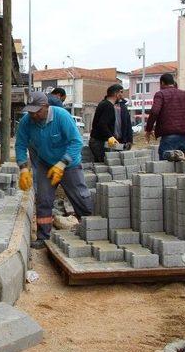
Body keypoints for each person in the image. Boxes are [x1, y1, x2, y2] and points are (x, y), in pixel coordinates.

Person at [15, 92, 93, 249]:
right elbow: (20, 145)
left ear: (46, 107)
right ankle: (43, 237)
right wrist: (23, 168)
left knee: (80, 198)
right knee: (44, 200)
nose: (33, 115)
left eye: (37, 111)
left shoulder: (61, 116)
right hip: (45, 164)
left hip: (69, 164)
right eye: (30, 111)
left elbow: (76, 142)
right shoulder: (26, 121)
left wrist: (62, 163)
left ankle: (92, 230)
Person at [144, 73, 185, 160]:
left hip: (169, 137)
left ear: (162, 83)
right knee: (179, 167)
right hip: (184, 137)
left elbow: (154, 111)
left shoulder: (160, 94)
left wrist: (149, 130)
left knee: (166, 167)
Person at [88, 85, 122, 163]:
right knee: (102, 167)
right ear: (116, 94)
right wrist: (110, 136)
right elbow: (102, 124)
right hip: (98, 142)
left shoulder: (103, 103)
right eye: (121, 92)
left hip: (97, 141)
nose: (121, 95)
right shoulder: (108, 106)